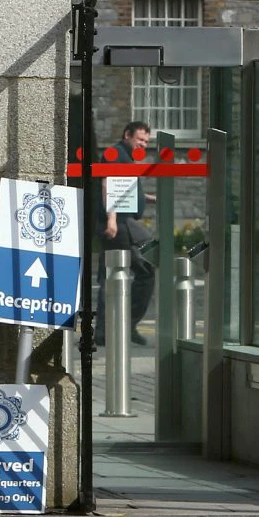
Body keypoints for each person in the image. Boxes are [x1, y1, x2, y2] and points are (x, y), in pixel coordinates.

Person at [95, 120, 156, 347]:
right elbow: (108, 184)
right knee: (147, 269)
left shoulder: (124, 155)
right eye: (140, 139)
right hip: (121, 224)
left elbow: (124, 187)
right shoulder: (116, 154)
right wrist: (111, 219)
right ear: (127, 134)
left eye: (146, 141)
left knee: (109, 274)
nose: (143, 144)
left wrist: (147, 198)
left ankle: (103, 331)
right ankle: (126, 324)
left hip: (121, 222)